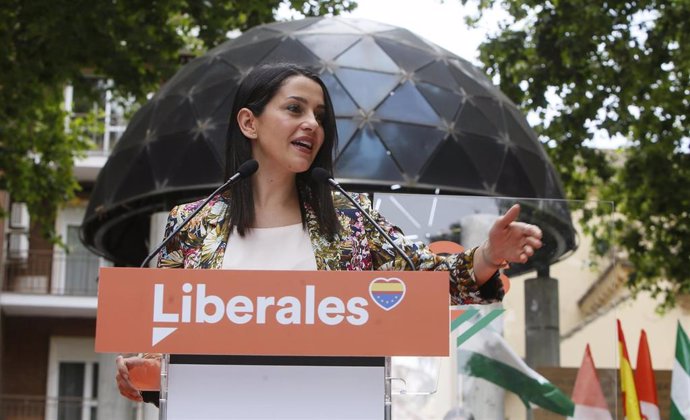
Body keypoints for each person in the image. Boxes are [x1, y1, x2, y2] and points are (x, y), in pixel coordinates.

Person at [115, 63, 543, 403]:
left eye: (319, 115)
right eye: (295, 109)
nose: (312, 125)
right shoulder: (193, 222)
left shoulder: (351, 220)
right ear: (249, 123)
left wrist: (489, 253)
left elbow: (426, 278)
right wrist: (139, 373)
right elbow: (157, 345)